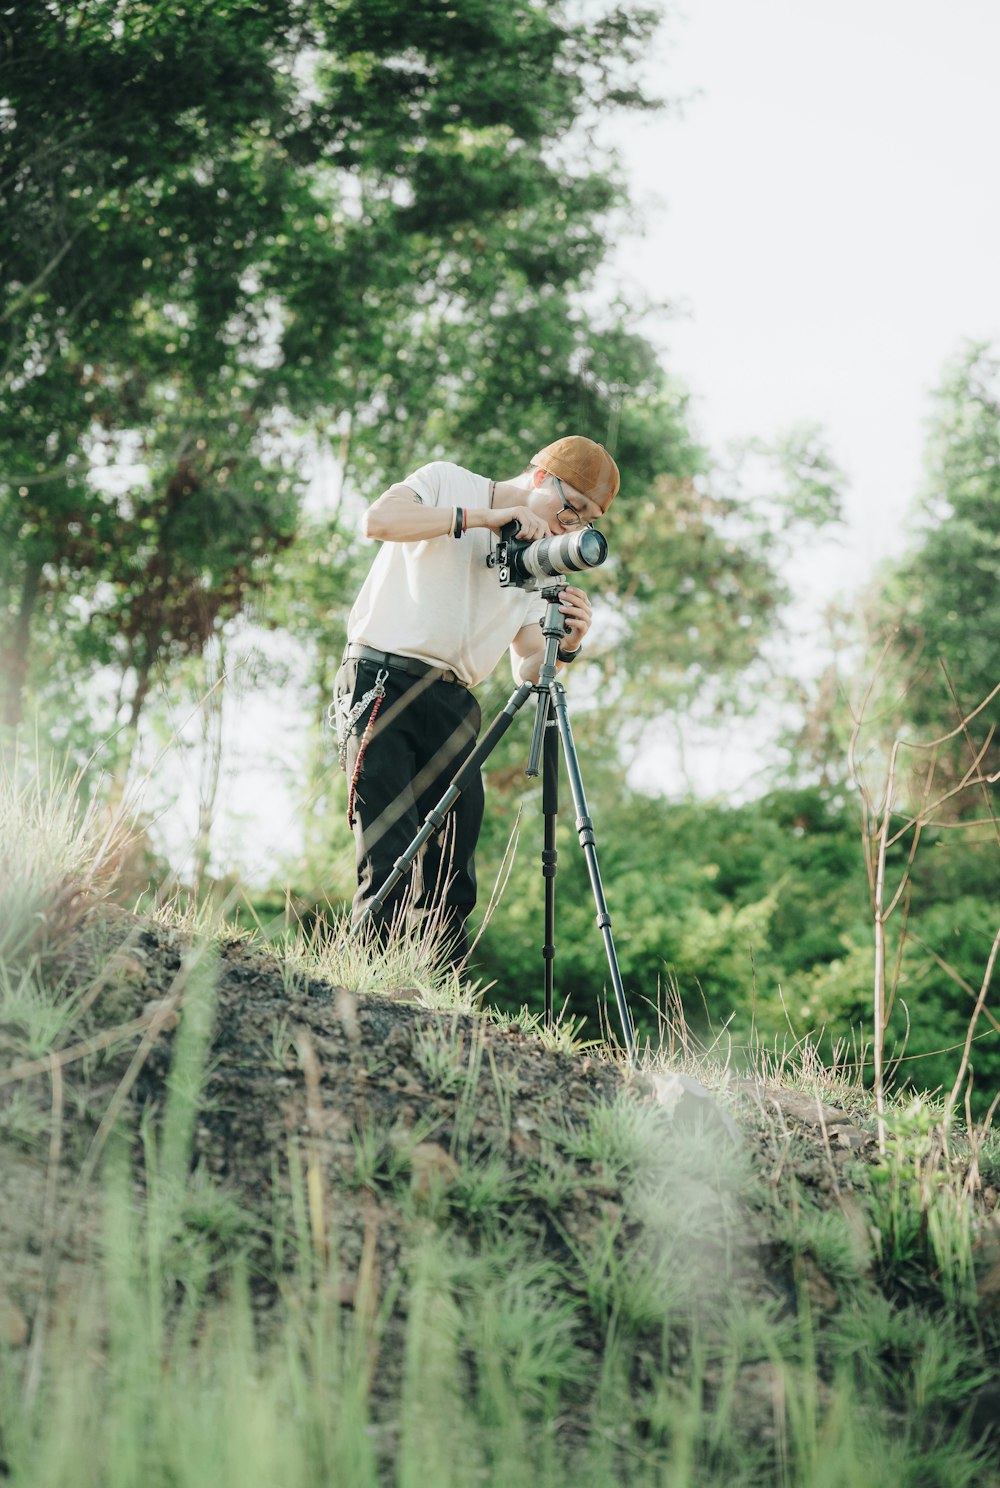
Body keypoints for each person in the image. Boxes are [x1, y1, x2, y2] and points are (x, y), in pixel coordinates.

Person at [332, 435, 620, 966]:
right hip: (382, 678)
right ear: (540, 477)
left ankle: (437, 1003)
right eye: (572, 507)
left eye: (586, 521)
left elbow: (529, 665)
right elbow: (379, 521)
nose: (571, 525)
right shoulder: (449, 481)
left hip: (455, 702)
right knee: (387, 854)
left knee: (452, 877)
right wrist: (484, 519)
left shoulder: (542, 562)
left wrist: (570, 644)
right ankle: (356, 991)